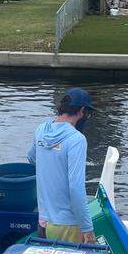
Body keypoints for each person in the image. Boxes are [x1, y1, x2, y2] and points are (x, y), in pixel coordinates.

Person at [28, 88, 96, 245]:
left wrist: (51, 167)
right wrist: (87, 228)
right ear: (82, 111)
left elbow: (31, 158)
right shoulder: (77, 139)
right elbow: (76, 188)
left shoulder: (41, 130)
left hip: (43, 222)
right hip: (67, 225)